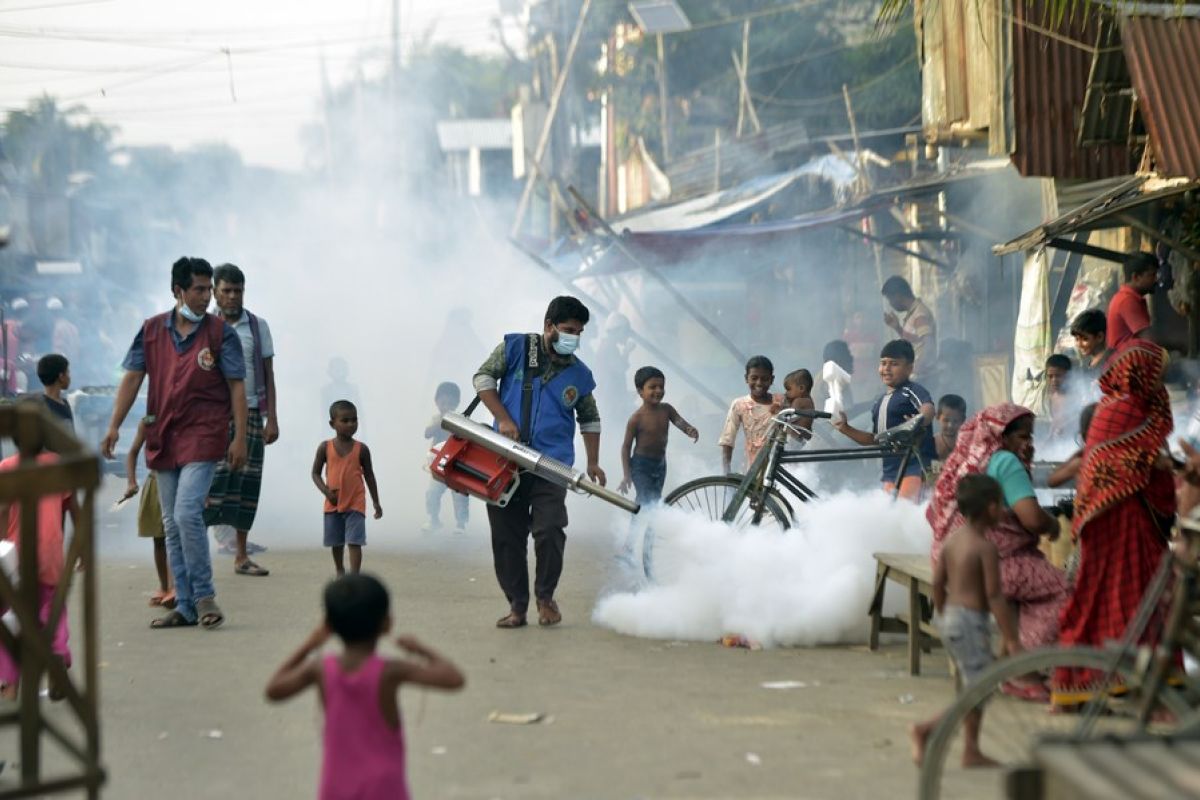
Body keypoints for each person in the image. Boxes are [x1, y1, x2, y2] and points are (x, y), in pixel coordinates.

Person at [101, 256, 246, 630]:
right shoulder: (151, 331)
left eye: (207, 289)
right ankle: (184, 604)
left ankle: (204, 595)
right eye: (198, 289)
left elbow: (236, 387)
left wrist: (241, 437)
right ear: (177, 291)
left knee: (185, 514)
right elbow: (132, 379)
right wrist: (114, 425)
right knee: (171, 522)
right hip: (163, 435)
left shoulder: (219, 333)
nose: (205, 296)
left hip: (204, 434)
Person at [264, 573, 465, 800]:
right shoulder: (390, 670)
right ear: (387, 623)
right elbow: (454, 678)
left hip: (336, 784)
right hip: (384, 787)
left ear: (328, 626)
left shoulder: (320, 669)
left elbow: (273, 689)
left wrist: (309, 644)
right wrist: (420, 648)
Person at [1053, 340, 1176, 707]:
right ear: (1142, 373)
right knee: (1128, 592)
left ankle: (1121, 676)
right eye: (1158, 375)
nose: (1161, 383)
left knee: (1123, 593)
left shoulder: (1117, 406)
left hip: (1115, 514)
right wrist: (1166, 466)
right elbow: (1138, 461)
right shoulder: (1127, 409)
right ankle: (1105, 677)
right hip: (1118, 516)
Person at [473, 296, 604, 629]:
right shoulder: (516, 348)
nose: (574, 337)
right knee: (506, 537)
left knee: (549, 529)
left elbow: (589, 418)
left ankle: (545, 597)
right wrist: (502, 418)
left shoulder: (579, 374)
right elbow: (483, 379)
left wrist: (593, 462)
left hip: (552, 464)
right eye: (569, 330)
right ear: (549, 326)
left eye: (579, 332)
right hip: (505, 460)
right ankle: (517, 606)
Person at [928, 403, 1067, 655]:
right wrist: (1054, 524)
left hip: (953, 562)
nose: (1029, 443)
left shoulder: (968, 458)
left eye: (1031, 436)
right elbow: (1033, 519)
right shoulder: (1005, 461)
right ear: (1002, 436)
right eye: (1023, 436)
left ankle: (1009, 657)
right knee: (1066, 592)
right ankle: (1025, 661)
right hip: (997, 564)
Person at [910, 474, 1022, 768]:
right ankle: (928, 730)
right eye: (1000, 505)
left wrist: (944, 614)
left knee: (971, 687)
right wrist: (1011, 638)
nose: (1004, 511)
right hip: (971, 622)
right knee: (979, 690)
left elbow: (938, 582)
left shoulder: (952, 541)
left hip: (951, 620)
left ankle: (971, 749)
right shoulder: (985, 549)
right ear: (988, 508)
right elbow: (995, 596)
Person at [203, 263, 278, 577]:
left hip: (248, 413)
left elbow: (268, 374)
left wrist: (271, 418)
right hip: (213, 415)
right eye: (227, 291)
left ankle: (241, 556)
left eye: (238, 290)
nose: (233, 296)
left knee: (247, 484)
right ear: (215, 292)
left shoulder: (257, 327)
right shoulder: (204, 327)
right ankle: (198, 554)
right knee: (211, 482)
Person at [0, 439, 76, 701]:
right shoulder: (59, 467)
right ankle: (56, 661)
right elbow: (72, 509)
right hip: (50, 556)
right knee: (52, 611)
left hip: (16, 556)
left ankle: (10, 687)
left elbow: (1, 510)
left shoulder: (7, 468)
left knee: (11, 621)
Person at [834, 340, 936, 501]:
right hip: (890, 473)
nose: (886, 368)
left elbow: (928, 408)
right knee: (891, 518)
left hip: (914, 469)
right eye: (883, 363)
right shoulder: (879, 402)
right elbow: (875, 439)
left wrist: (918, 420)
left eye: (894, 364)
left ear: (909, 368)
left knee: (905, 516)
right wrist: (846, 429)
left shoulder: (911, 391)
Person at [312, 401, 382, 577]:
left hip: (355, 503)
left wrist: (376, 502)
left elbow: (370, 476)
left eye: (354, 420)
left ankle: (355, 577)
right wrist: (327, 493)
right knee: (336, 542)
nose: (351, 424)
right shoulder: (325, 447)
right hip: (333, 502)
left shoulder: (362, 449)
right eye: (345, 420)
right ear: (332, 424)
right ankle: (340, 570)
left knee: (354, 541)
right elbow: (315, 474)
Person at [617, 366, 699, 504]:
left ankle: (652, 526)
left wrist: (689, 429)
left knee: (655, 498)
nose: (658, 391)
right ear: (640, 391)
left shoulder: (666, 409)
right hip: (640, 465)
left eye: (661, 387)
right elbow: (626, 447)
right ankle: (636, 525)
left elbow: (678, 421)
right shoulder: (636, 418)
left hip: (660, 463)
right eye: (653, 387)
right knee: (644, 499)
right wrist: (626, 475)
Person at [123, 418, 174, 608]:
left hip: (177, 480)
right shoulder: (147, 423)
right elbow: (132, 453)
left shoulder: (184, 415)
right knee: (158, 539)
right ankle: (164, 586)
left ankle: (175, 586)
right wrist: (131, 482)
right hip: (155, 480)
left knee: (175, 537)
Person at [719, 355, 783, 475]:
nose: (759, 383)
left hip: (780, 466)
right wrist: (726, 472)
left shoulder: (781, 401)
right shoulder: (740, 404)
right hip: (753, 467)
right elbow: (728, 439)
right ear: (746, 378)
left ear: (772, 380)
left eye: (764, 379)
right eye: (754, 378)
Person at [423, 381, 469, 534]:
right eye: (443, 402)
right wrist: (442, 421)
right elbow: (427, 433)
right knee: (432, 493)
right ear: (436, 402)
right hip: (438, 464)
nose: (446, 405)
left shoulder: (461, 419)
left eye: (450, 403)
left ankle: (461, 525)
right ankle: (433, 519)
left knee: (459, 495)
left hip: (457, 464)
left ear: (457, 404)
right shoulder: (436, 419)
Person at [881, 276, 938, 383]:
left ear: (898, 295)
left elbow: (929, 345)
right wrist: (897, 328)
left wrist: (915, 369)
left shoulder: (919, 315)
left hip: (924, 379)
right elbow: (915, 342)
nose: (890, 304)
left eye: (890, 299)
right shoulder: (913, 313)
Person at [1106, 252, 1158, 350]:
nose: (1156, 280)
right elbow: (1149, 341)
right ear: (1136, 277)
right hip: (1126, 363)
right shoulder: (1127, 301)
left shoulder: (1127, 298)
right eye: (1152, 275)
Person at [1070, 309, 1110, 396]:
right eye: (1077, 339)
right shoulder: (1088, 365)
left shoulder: (1111, 361)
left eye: (1085, 339)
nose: (1079, 344)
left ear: (1100, 337)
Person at [35, 353, 73, 430]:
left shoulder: (64, 403)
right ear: (61, 376)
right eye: (68, 372)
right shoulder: (45, 408)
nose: (69, 377)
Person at [1044, 353, 1076, 440]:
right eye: (1050, 376)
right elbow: (1055, 422)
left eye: (1058, 376)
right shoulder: (1052, 395)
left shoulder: (1074, 398)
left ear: (1068, 376)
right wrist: (1049, 438)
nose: (1054, 380)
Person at [934, 394, 967, 462]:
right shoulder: (932, 443)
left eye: (955, 421)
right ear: (937, 417)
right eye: (946, 420)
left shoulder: (967, 443)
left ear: (963, 420)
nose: (950, 425)